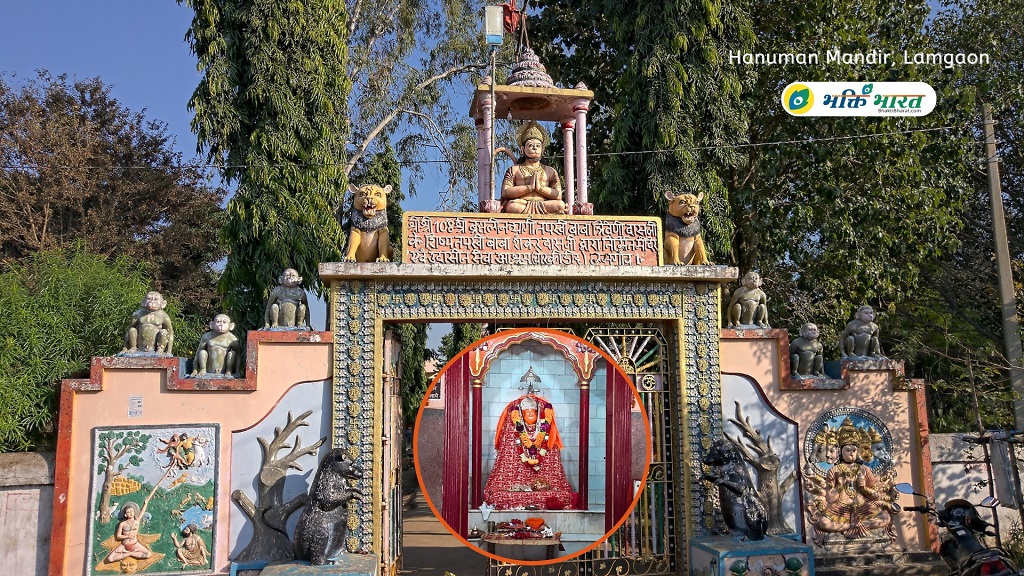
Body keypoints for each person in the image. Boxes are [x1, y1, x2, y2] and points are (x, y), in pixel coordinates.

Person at [806, 418, 896, 543]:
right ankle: (853, 525)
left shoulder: (864, 470)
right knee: (823, 523)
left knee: (886, 517)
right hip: (840, 508)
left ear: (858, 451)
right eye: (847, 450)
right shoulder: (834, 470)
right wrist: (839, 486)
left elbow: (876, 495)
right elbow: (830, 498)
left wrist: (864, 488)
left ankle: (858, 524)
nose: (851, 453)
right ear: (840, 452)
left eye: (854, 450)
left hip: (863, 506)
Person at [483, 393, 574, 509]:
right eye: (527, 412)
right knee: (498, 496)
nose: (530, 414)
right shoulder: (513, 433)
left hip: (542, 479)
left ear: (538, 414)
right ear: (521, 415)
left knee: (562, 496)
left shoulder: (546, 433)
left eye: (533, 412)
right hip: (517, 483)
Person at [500, 121, 566, 215]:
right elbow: (505, 192)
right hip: (522, 203)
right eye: (530, 145)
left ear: (542, 150)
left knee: (560, 205)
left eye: (538, 146)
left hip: (544, 204)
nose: (534, 148)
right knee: (512, 206)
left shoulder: (550, 171)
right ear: (522, 149)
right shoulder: (514, 169)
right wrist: (529, 187)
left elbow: (558, 195)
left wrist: (540, 188)